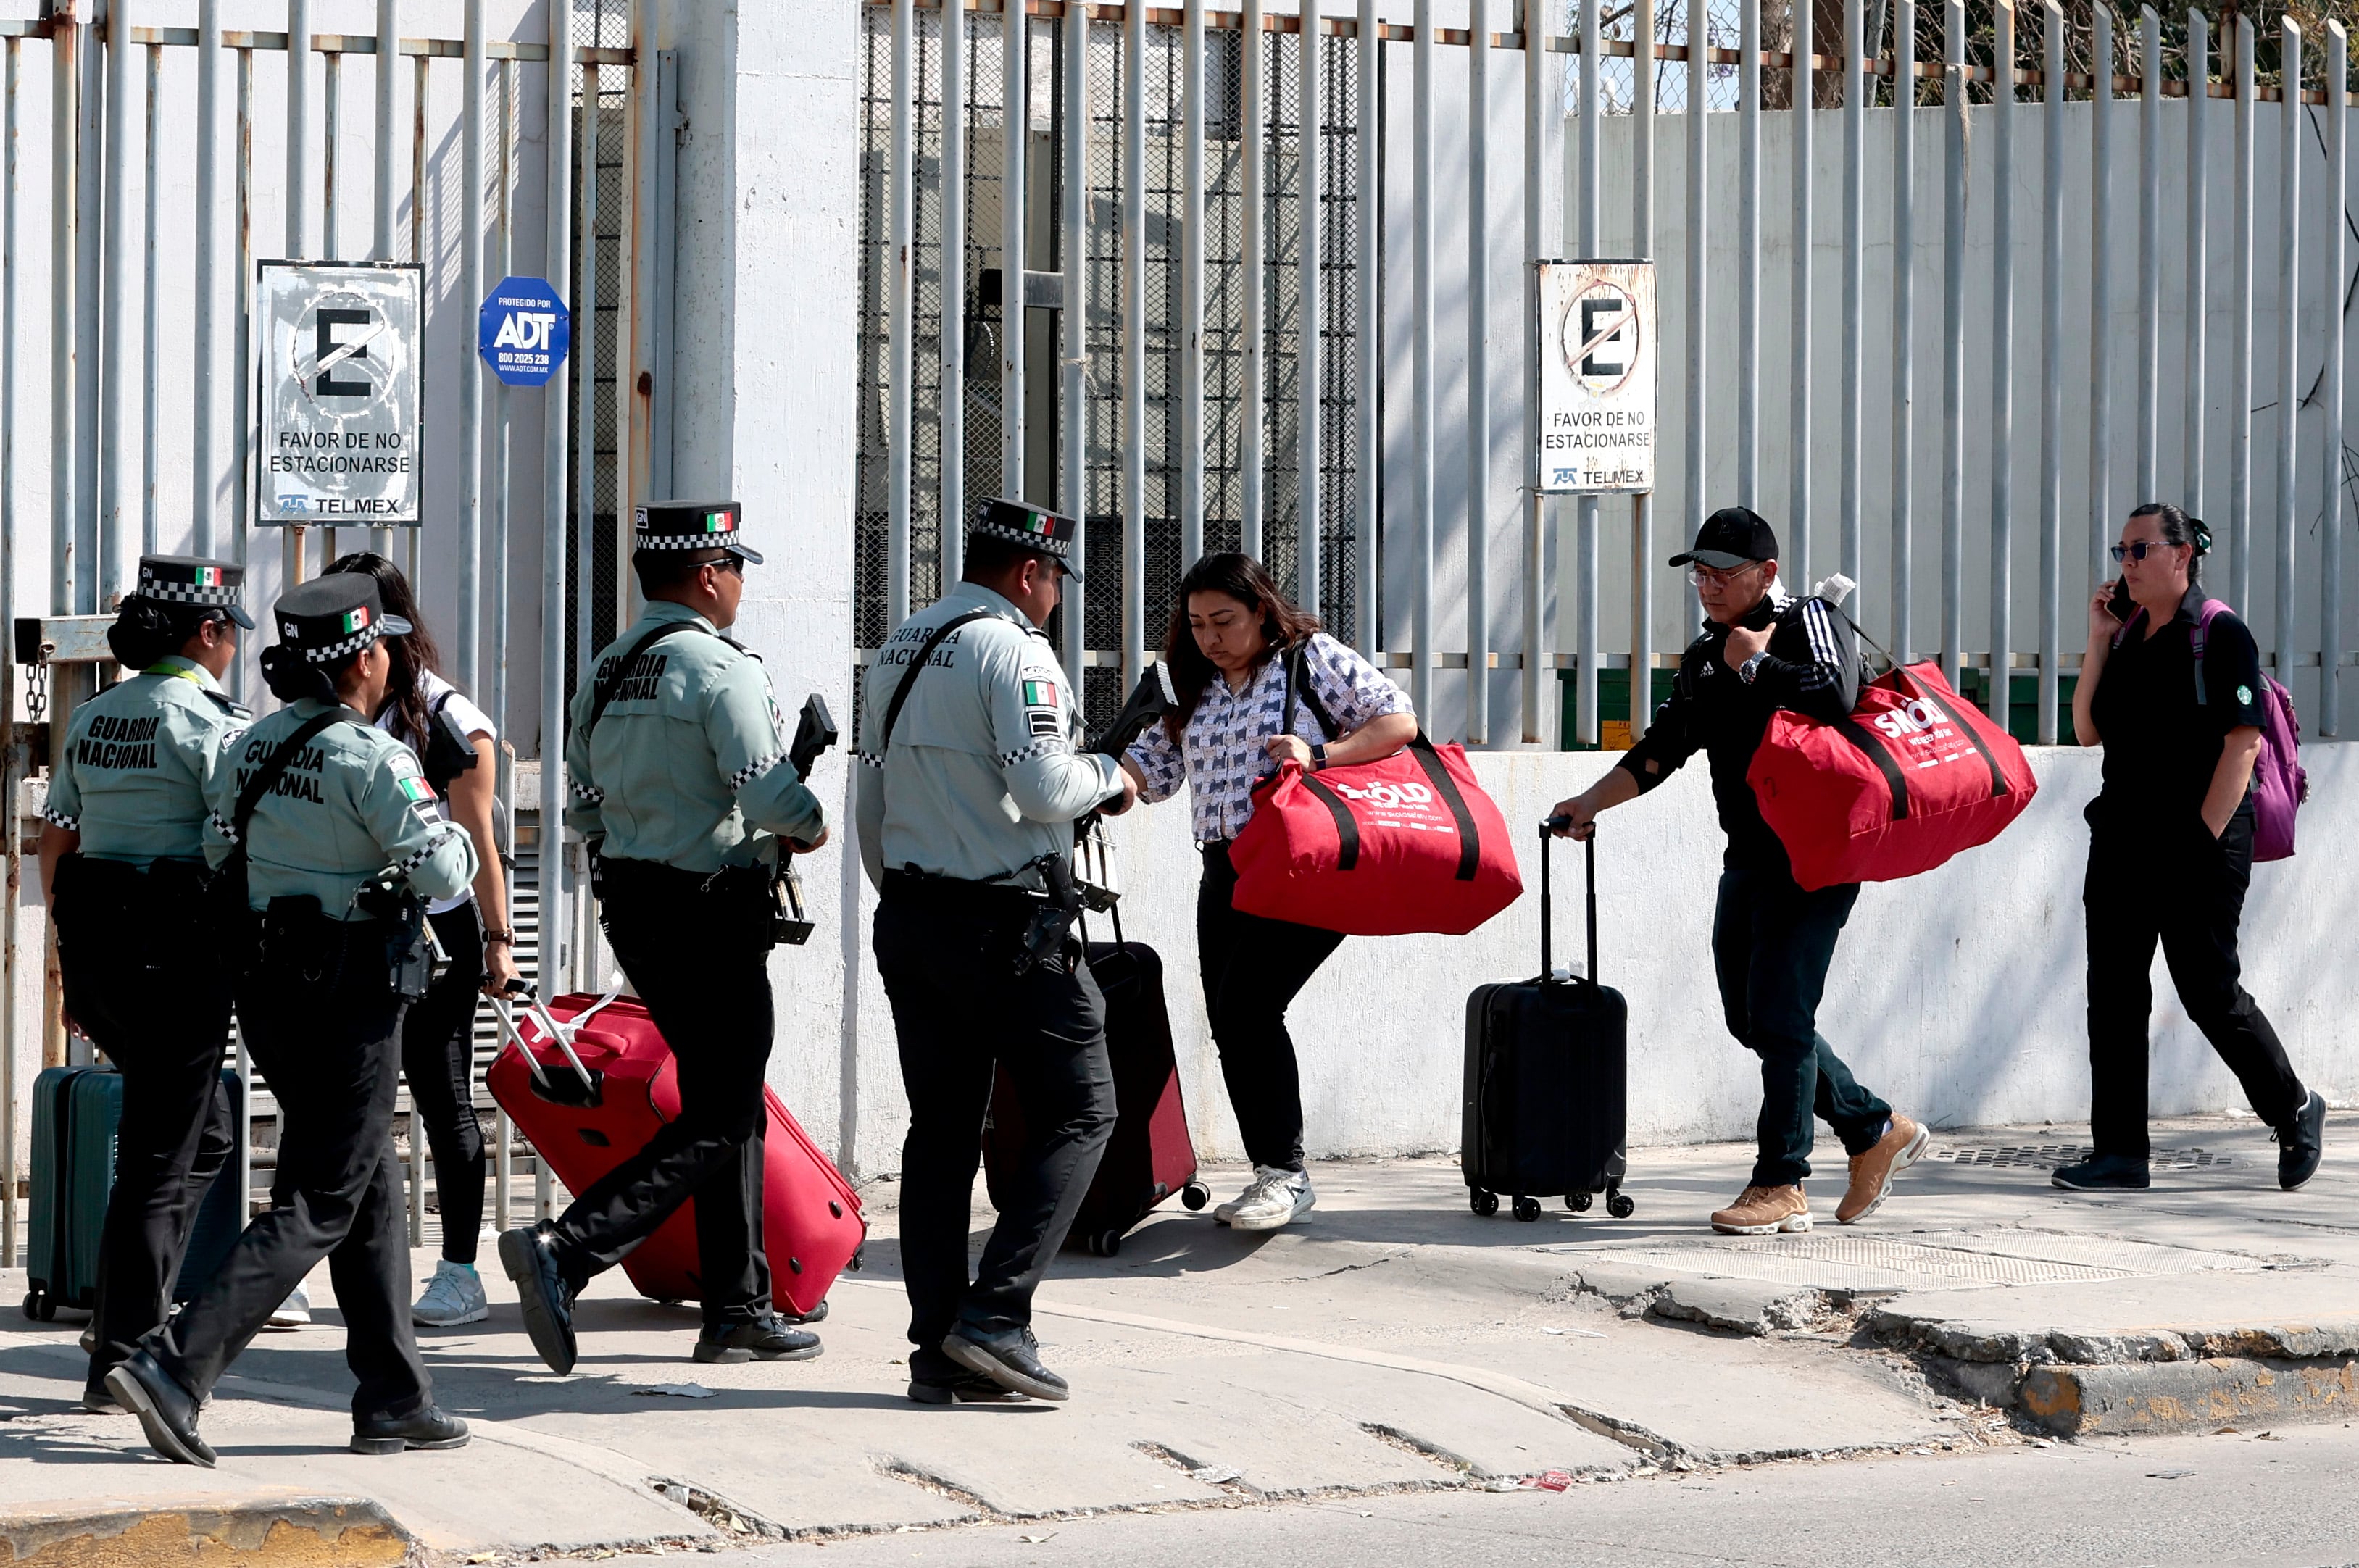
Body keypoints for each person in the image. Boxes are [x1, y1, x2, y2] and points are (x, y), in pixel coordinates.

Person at [107, 574, 479, 1467]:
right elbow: (446, 877)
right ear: (363, 658)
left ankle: (394, 1396)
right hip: (351, 995)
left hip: (270, 990)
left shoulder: (250, 744)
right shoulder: (374, 758)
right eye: (385, 644)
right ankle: (176, 1363)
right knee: (320, 1197)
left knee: (368, 1187)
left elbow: (213, 848)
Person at [500, 500, 831, 1372]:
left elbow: (581, 803)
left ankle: (737, 1306)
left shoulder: (609, 669)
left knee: (729, 1105)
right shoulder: (721, 670)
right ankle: (568, 1249)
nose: (743, 586)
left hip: (638, 908)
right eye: (739, 570)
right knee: (724, 1109)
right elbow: (766, 795)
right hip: (714, 915)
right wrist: (807, 822)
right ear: (710, 575)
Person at [1546, 507, 1927, 1237]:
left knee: (1783, 1015)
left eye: (1723, 572)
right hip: (1749, 857)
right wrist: (1588, 803)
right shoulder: (1702, 658)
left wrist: (1753, 662)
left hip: (1816, 854)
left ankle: (1781, 1180)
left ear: (1767, 574)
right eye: (1700, 572)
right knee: (1749, 1016)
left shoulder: (1808, 621)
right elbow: (1661, 750)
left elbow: (1837, 694)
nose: (1709, 585)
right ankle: (1874, 1127)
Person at [858, 497, 1132, 1405]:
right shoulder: (1015, 649)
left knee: (940, 1132)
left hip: (911, 915)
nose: (1055, 599)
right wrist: (1114, 776)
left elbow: (873, 790)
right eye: (1055, 581)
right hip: (1007, 927)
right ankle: (997, 1316)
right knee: (1084, 1109)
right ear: (1029, 573)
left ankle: (939, 1348)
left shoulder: (899, 644)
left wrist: (904, 893)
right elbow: (1047, 783)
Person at [1118, 552, 1415, 1232]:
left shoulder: (1309, 660)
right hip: (1223, 868)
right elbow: (1154, 771)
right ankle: (1274, 1173)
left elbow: (1396, 720)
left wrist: (1321, 754)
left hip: (1303, 864)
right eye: (1196, 624)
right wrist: (1104, 780)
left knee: (1247, 1006)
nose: (1210, 637)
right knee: (1233, 1020)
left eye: (1224, 620)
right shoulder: (1188, 685)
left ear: (1260, 609)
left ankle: (1284, 1176)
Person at [2059, 503, 2326, 1192]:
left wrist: (2196, 842)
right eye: (2119, 550)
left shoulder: (2219, 633)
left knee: (2206, 989)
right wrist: (2096, 638)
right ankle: (2119, 1153)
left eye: (2139, 549)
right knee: (2113, 993)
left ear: (2182, 555)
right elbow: (2087, 731)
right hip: (2120, 835)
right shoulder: (2124, 639)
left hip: (2198, 839)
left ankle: (2292, 1106)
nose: (2126, 563)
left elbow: (2242, 748)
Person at [38, 557, 252, 1413]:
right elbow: (236, 846)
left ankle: (130, 1313)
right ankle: (123, 1352)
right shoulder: (212, 724)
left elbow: (58, 837)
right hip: (178, 964)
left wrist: (70, 964)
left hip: (104, 961)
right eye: (232, 629)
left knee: (203, 1140)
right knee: (162, 1161)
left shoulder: (92, 717)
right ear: (208, 632)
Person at [324, 552, 520, 1327]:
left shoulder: (446, 717)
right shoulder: (333, 707)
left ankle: (461, 1270)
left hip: (437, 932)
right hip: (355, 926)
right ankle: (318, 1259)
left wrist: (500, 942)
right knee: (346, 1101)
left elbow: (481, 840)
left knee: (442, 1099)